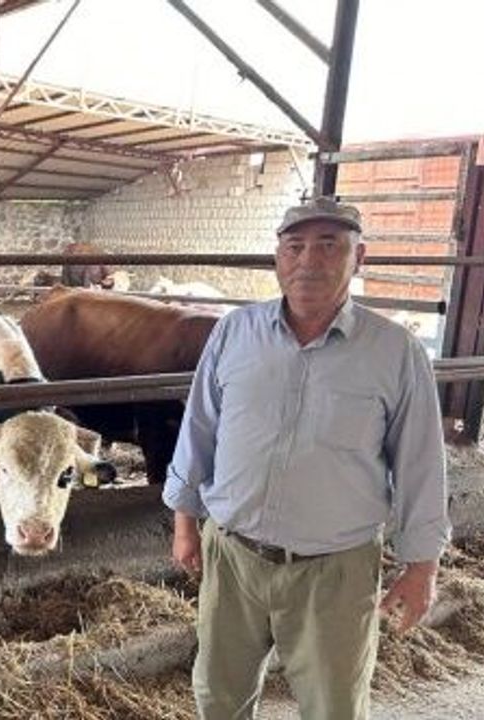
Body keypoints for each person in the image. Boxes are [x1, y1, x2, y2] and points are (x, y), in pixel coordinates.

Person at [165, 196, 450, 719]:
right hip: (232, 556)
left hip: (335, 570)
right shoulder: (235, 331)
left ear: (359, 257)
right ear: (278, 257)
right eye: (294, 247)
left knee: (333, 706)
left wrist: (422, 568)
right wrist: (185, 522)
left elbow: (421, 464)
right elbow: (199, 429)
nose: (308, 261)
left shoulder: (395, 351)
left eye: (329, 246)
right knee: (218, 696)